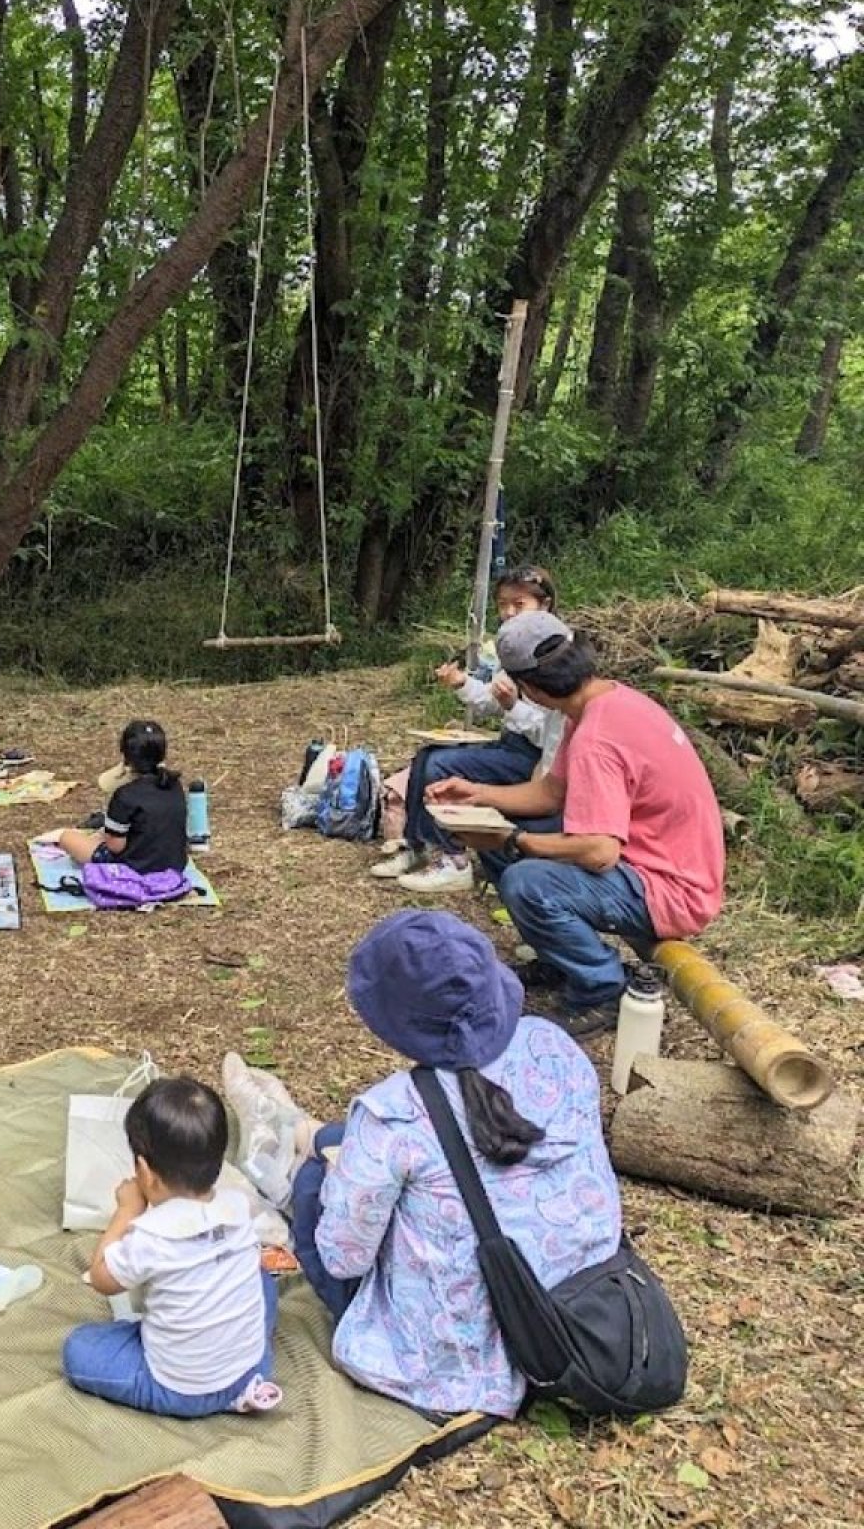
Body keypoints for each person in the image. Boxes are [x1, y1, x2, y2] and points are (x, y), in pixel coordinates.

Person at [292, 910, 621, 1419]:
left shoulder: (394, 1114)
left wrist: (335, 1181)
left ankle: (296, 1143)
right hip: (582, 1303)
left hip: (462, 1357)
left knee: (313, 1179)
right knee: (343, 1144)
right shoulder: (554, 1043)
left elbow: (344, 1258)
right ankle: (311, 1134)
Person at [428, 610, 724, 1036]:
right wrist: (478, 794)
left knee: (525, 880)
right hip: (661, 862)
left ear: (530, 688)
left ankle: (601, 988)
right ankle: (561, 960)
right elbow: (551, 793)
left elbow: (600, 852)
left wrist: (514, 839)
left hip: (671, 888)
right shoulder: (606, 701)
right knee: (508, 847)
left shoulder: (595, 738)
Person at [63, 1077, 282, 1418]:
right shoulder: (238, 1207)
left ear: (144, 1171)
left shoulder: (152, 1236)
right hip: (250, 1366)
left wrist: (127, 1210)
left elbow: (101, 1277)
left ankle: (209, 1393)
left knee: (80, 1348)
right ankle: (239, 1388)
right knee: (263, 1281)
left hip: (179, 1388)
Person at [374, 566, 563, 894]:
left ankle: (453, 860)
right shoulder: (514, 644)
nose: (509, 613)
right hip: (511, 744)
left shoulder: (554, 654)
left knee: (440, 765)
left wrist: (512, 707)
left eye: (519, 604)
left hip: (538, 759)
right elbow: (494, 701)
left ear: (545, 605)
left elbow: (552, 733)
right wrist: (461, 683)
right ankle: (417, 847)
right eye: (503, 605)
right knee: (427, 757)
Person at [56, 720, 187, 871]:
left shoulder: (125, 795)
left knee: (66, 837)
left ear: (125, 754)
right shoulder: (174, 785)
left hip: (133, 868)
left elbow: (115, 846)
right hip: (173, 865)